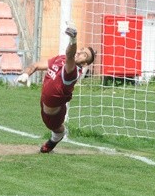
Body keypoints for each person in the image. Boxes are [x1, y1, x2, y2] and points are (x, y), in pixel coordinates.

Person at [17, 22, 96, 153]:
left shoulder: (73, 72)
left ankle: (58, 136)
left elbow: (70, 55)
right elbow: (36, 65)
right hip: (45, 101)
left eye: (84, 55)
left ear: (85, 63)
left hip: (54, 114)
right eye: (81, 49)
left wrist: (73, 39)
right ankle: (57, 136)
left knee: (57, 129)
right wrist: (26, 74)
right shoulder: (60, 59)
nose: (80, 52)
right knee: (53, 125)